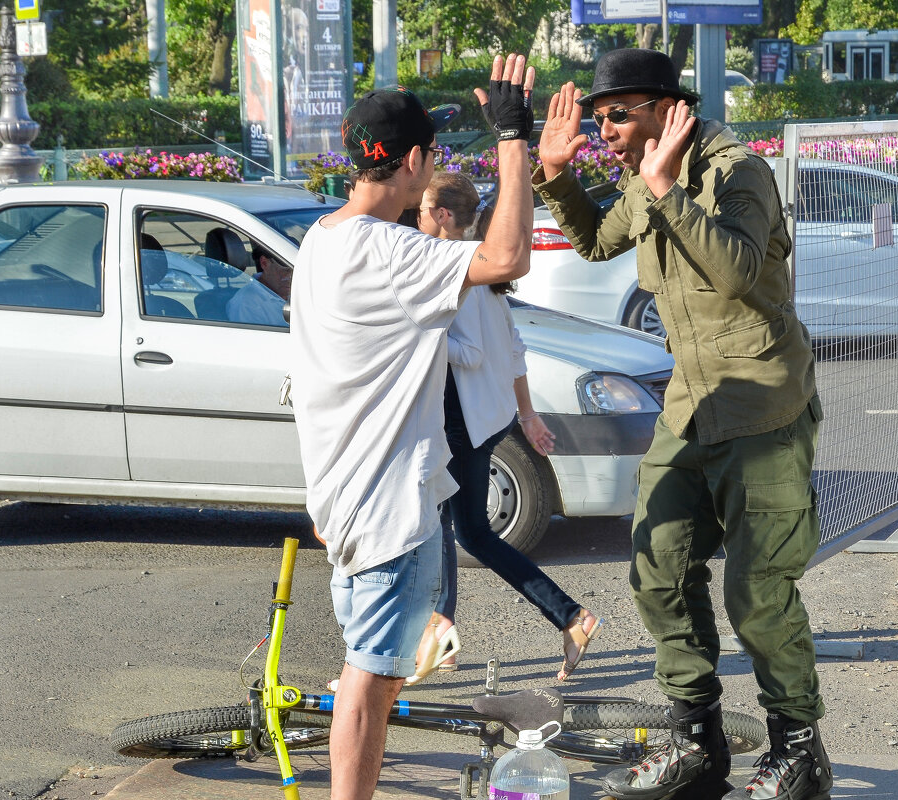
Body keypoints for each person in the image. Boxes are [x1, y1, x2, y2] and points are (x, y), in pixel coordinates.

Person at [535, 48, 832, 800]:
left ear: (669, 109)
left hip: (762, 404)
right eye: (598, 116)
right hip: (691, 405)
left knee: (758, 593)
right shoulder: (642, 176)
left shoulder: (738, 173)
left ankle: (798, 748)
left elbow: (733, 269)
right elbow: (598, 241)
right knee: (657, 568)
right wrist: (555, 173)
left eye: (617, 113)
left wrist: (667, 186)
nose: (604, 128)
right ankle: (696, 745)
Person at [288, 54, 535, 800]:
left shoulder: (322, 242)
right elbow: (507, 257)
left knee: (372, 675)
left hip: (350, 501)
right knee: (369, 683)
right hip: (390, 511)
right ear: (416, 161)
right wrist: (515, 139)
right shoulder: (389, 251)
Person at [406, 171, 601, 685]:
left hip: (463, 422)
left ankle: (440, 630)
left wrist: (412, 334)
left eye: (423, 211)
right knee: (467, 529)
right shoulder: (483, 269)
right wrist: (528, 414)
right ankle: (568, 617)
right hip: (484, 420)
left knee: (439, 526)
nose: (417, 219)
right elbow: (513, 348)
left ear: (443, 217)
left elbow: (470, 351)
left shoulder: (457, 273)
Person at [226, 245, 291, 326]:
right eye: (287, 270)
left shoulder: (299, 290)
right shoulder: (247, 304)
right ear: (264, 263)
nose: (293, 276)